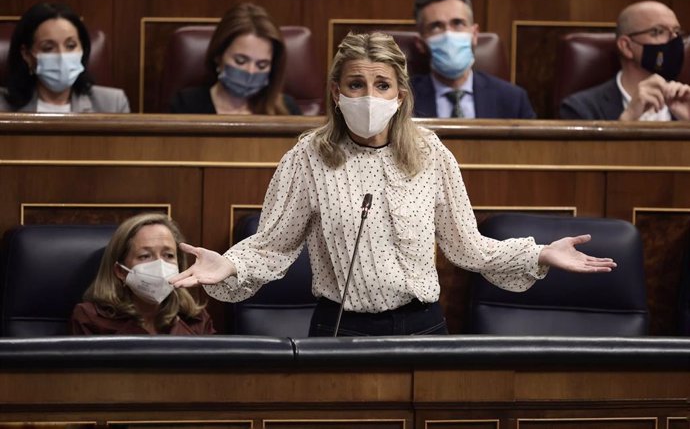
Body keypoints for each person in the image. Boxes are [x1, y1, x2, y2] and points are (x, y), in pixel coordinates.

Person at [170, 32, 615, 337]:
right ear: (335, 92)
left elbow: (467, 246)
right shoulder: (309, 156)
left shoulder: (430, 153)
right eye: (355, 84)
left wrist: (539, 253)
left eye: (381, 85)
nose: (368, 95)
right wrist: (228, 265)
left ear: (399, 94)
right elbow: (272, 246)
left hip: (422, 327)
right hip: (339, 328)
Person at [70, 213, 215, 335]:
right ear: (120, 271)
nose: (160, 265)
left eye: (169, 255)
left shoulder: (196, 319)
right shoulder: (90, 318)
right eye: (145, 256)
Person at [410, 0, 535, 119]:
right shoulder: (403, 98)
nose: (448, 34)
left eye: (458, 23)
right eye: (436, 26)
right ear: (420, 43)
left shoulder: (513, 99)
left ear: (474, 34)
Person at [560, 0, 690, 121]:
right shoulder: (580, 109)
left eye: (676, 31)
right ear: (626, 46)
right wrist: (628, 119)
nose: (673, 40)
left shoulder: (685, 101)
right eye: (658, 31)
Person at [170, 3, 301, 115]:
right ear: (218, 56)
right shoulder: (186, 105)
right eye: (240, 61)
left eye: (262, 65)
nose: (250, 71)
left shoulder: (287, 110)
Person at [0, 2, 130, 113]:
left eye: (71, 45)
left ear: (83, 49)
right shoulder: (3, 106)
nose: (62, 56)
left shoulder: (113, 104)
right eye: (48, 48)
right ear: (27, 55)